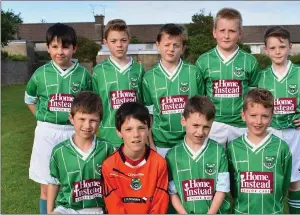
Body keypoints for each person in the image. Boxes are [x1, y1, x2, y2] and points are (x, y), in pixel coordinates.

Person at [258, 26, 300, 214]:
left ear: (290, 46)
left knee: (293, 182)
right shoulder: (261, 76)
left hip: (294, 135)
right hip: (269, 135)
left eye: (281, 46)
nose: (277, 51)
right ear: (266, 50)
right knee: (269, 181)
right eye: (272, 48)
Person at [24, 23, 92, 214]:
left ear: (74, 48)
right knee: (47, 185)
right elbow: (29, 99)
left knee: (73, 183)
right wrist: (40, 116)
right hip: (47, 133)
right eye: (55, 47)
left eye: (65, 47)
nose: (60, 52)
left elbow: (89, 105)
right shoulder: (40, 74)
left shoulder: (83, 75)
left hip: (73, 133)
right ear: (48, 48)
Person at [195, 8, 260, 147]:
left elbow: (254, 98)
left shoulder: (250, 61)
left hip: (241, 125)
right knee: (214, 166)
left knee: (240, 166)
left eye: (232, 31)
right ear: (214, 32)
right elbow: (199, 99)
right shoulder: (203, 61)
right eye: (222, 30)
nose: (226, 35)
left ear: (240, 34)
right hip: (213, 125)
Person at [47, 91, 116, 214]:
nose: (87, 125)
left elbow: (115, 184)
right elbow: (53, 184)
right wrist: (49, 212)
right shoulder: (59, 151)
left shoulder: (107, 148)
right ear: (71, 118)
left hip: (97, 209)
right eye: (82, 119)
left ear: (100, 121)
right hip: (67, 208)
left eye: (93, 120)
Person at [142, 23, 204, 158]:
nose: (171, 49)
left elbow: (202, 112)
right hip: (161, 144)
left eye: (176, 45)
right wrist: (150, 143)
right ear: (158, 45)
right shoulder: (149, 77)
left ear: (182, 48)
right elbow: (148, 116)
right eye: (167, 44)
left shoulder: (193, 73)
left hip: (189, 142)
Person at [226, 88, 292, 214]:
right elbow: (231, 185)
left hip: (273, 211)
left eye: (265, 116)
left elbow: (284, 186)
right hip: (241, 211)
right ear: (243, 115)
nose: (258, 121)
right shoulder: (233, 148)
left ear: (272, 117)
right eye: (253, 115)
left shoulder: (281, 148)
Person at [166, 95, 230, 214]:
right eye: (195, 125)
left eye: (206, 127)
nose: (200, 132)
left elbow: (222, 189)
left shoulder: (219, 151)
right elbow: (172, 192)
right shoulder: (172, 155)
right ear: (183, 121)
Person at [101, 102, 169, 214]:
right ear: (119, 132)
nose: (136, 134)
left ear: (149, 129)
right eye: (128, 129)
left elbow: (159, 204)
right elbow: (114, 206)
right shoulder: (109, 165)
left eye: (141, 128)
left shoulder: (159, 163)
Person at [92, 19, 146, 148]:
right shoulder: (99, 71)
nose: (119, 45)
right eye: (113, 41)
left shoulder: (139, 69)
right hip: (108, 136)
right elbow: (95, 106)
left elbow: (144, 105)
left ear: (129, 40)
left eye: (123, 40)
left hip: (135, 137)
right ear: (105, 43)